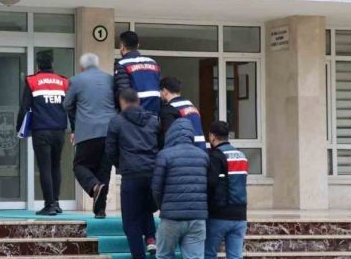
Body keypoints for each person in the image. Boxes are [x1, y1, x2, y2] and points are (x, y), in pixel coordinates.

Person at [106, 88, 160, 257]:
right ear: (138, 101)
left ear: (122, 102)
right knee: (146, 208)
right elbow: (161, 145)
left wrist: (122, 165)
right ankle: (151, 238)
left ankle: (139, 254)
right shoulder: (153, 120)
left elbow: (110, 151)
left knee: (131, 221)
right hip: (152, 173)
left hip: (131, 175)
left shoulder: (116, 122)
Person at [63, 53, 117, 218]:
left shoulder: (76, 80)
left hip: (88, 132)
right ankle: (100, 210)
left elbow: (67, 104)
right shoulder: (110, 80)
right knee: (104, 171)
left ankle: (93, 186)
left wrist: (75, 127)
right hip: (110, 132)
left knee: (80, 165)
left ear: (82, 67)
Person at [16, 51, 69, 216]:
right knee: (56, 165)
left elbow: (24, 107)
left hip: (41, 131)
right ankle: (56, 202)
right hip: (59, 131)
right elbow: (70, 106)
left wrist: (19, 128)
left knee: (44, 167)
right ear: (52, 64)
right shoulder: (63, 81)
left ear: (38, 65)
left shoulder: (32, 81)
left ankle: (49, 204)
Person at [152, 118, 209, 259]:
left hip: (171, 217)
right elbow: (207, 186)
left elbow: (156, 188)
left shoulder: (164, 155)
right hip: (197, 217)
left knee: (164, 255)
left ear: (171, 134)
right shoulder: (203, 156)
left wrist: (163, 206)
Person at [205, 121, 248, 259]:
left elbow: (210, 183)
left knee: (208, 254)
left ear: (212, 136)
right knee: (235, 256)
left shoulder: (216, 156)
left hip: (219, 215)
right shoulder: (241, 155)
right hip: (240, 215)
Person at [114, 31, 161, 113]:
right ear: (138, 45)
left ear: (122, 46)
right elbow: (160, 87)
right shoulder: (152, 62)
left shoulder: (122, 64)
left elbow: (123, 92)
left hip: (134, 113)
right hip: (154, 111)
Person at [159, 76, 206, 150]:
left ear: (165, 91)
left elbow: (168, 137)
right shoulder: (191, 105)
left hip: (185, 152)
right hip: (201, 150)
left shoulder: (169, 109)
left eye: (160, 91)